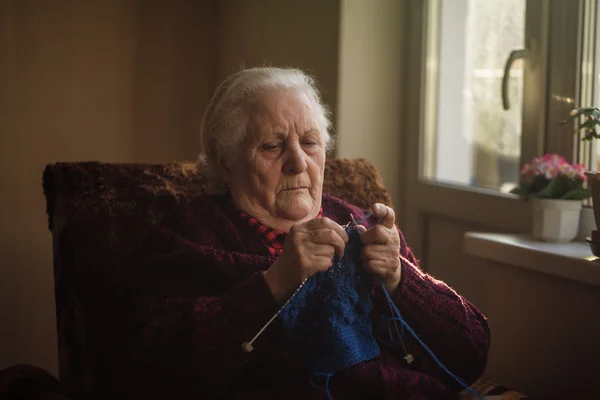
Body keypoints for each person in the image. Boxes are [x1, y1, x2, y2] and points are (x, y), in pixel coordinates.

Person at [124, 67, 490, 400]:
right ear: (224, 160)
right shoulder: (187, 238)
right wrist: (274, 284)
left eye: (310, 142)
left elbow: (471, 354)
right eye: (272, 145)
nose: (298, 161)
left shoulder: (361, 225)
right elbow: (151, 371)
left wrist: (401, 279)